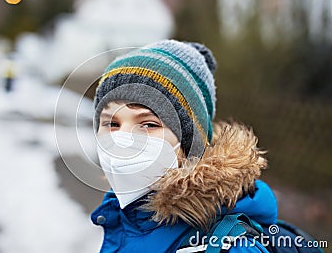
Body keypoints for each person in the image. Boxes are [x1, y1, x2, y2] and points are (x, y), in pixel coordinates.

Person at [91, 40, 277, 252]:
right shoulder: (122, 220)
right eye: (111, 123)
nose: (122, 138)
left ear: (190, 143)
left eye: (148, 124)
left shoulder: (231, 248)